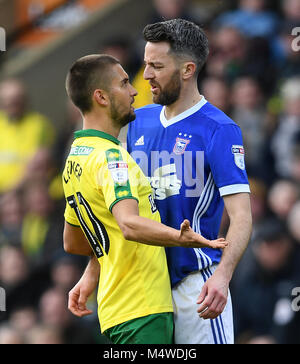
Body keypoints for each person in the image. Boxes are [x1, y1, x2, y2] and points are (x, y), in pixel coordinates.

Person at [69, 20, 252, 345]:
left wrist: (223, 276)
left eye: (156, 65)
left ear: (187, 69)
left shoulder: (218, 129)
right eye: (144, 63)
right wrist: (93, 270)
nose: (146, 74)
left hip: (194, 286)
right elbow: (119, 208)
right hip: (144, 288)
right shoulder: (137, 121)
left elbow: (241, 216)